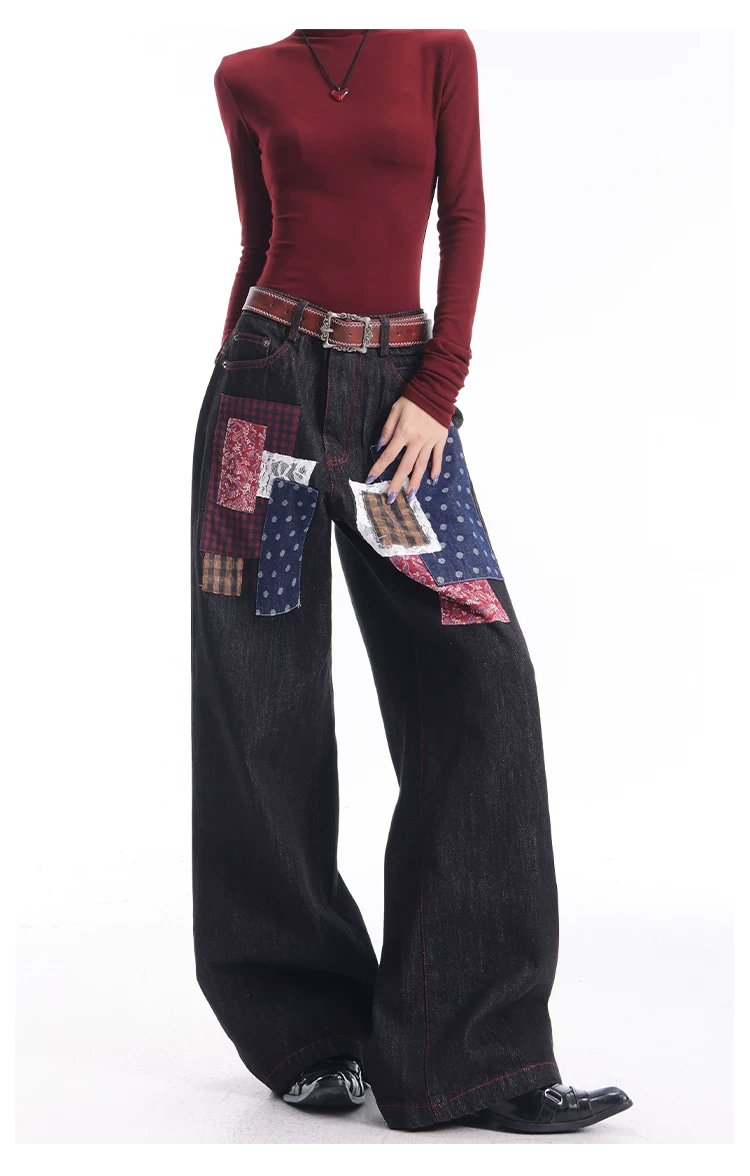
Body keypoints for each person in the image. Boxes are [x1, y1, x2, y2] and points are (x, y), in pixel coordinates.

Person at [190, 28, 632, 1134]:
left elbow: (464, 216)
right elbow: (258, 240)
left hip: (399, 412)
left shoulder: (437, 52)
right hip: (264, 394)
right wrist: (237, 386)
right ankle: (304, 1030)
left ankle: (469, 1056)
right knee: (261, 706)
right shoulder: (245, 75)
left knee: (484, 685)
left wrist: (437, 385)